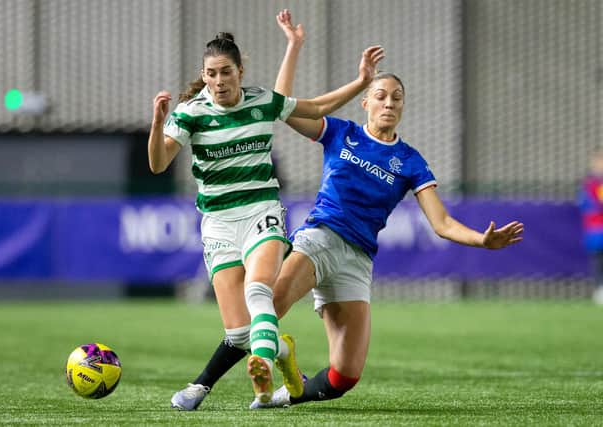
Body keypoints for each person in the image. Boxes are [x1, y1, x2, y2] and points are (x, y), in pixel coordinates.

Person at [255, 10, 524, 408]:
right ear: (364, 102)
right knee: (271, 305)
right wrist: (294, 45)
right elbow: (283, 108)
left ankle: (283, 394)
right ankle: (237, 373)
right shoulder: (341, 132)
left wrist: (481, 240)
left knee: (344, 376)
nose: (389, 103)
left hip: (358, 259)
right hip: (320, 237)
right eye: (380, 96)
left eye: (397, 98)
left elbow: (443, 222)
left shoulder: (411, 161)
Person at [148, 23, 385, 410]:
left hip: (261, 212)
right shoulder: (189, 114)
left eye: (226, 72)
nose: (219, 81)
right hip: (219, 224)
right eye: (211, 73)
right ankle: (284, 357)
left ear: (241, 72)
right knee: (239, 332)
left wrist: (361, 82)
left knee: (258, 290)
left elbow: (317, 107)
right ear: (203, 75)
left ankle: (261, 376)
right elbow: (158, 164)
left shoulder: (262, 102)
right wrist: (158, 123)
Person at [578, 149, 603, 305]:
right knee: (598, 261)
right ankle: (599, 290)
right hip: (596, 231)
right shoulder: (590, 186)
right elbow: (587, 205)